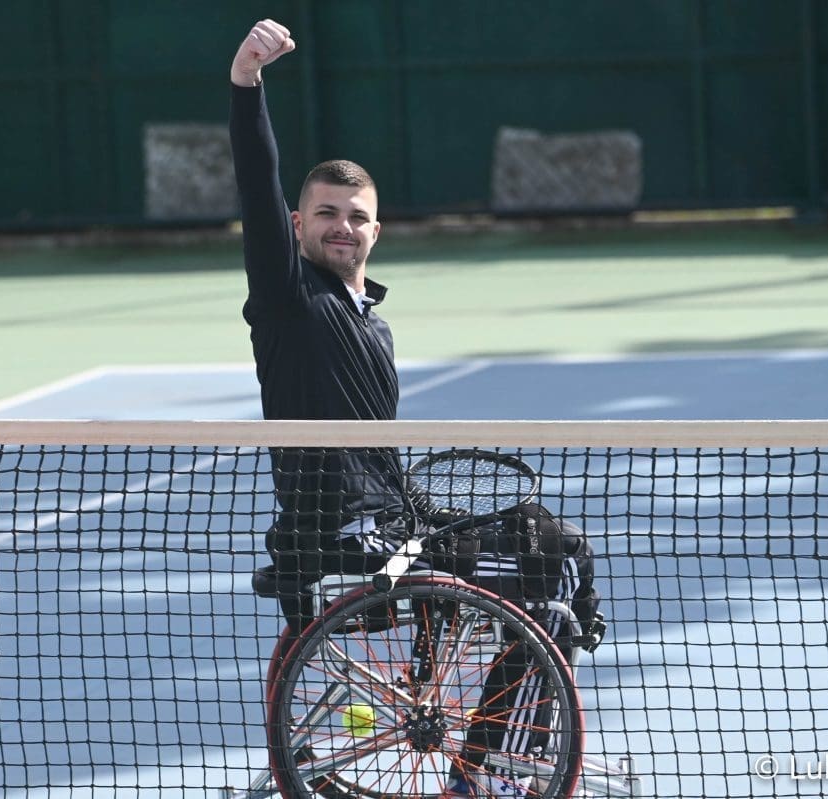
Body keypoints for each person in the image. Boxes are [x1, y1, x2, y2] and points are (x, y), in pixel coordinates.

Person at [230, 19, 601, 798]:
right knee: (556, 570)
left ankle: (490, 746)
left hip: (392, 522)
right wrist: (247, 86)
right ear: (297, 225)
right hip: (348, 534)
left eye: (356, 215)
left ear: (376, 229)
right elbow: (258, 186)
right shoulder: (290, 300)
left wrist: (426, 512)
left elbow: (378, 459)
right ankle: (488, 770)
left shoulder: (372, 323)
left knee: (554, 541)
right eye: (325, 213)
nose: (342, 226)